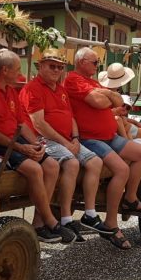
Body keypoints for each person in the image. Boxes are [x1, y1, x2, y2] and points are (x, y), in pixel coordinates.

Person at [0, 49, 77, 244]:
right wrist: (20, 147)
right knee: (35, 169)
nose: (20, 73)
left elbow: (21, 124)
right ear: (4, 70)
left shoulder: (10, 90)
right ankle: (52, 221)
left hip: (16, 141)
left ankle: (39, 223)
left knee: (51, 165)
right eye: (17, 69)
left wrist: (36, 144)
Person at [64, 47, 141, 251]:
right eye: (94, 62)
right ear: (81, 62)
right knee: (122, 169)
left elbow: (114, 101)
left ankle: (130, 198)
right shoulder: (73, 79)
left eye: (98, 63)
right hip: (90, 137)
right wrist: (108, 95)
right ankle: (111, 222)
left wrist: (106, 96)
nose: (97, 66)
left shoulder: (93, 82)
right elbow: (97, 101)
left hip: (109, 136)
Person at [18, 49, 109, 241]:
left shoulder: (60, 89)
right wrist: (66, 142)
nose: (56, 70)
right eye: (52, 66)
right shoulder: (32, 88)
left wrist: (75, 138)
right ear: (40, 66)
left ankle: (77, 216)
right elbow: (38, 124)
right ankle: (45, 221)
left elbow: (71, 117)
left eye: (60, 67)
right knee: (72, 163)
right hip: (42, 139)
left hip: (67, 139)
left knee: (95, 163)